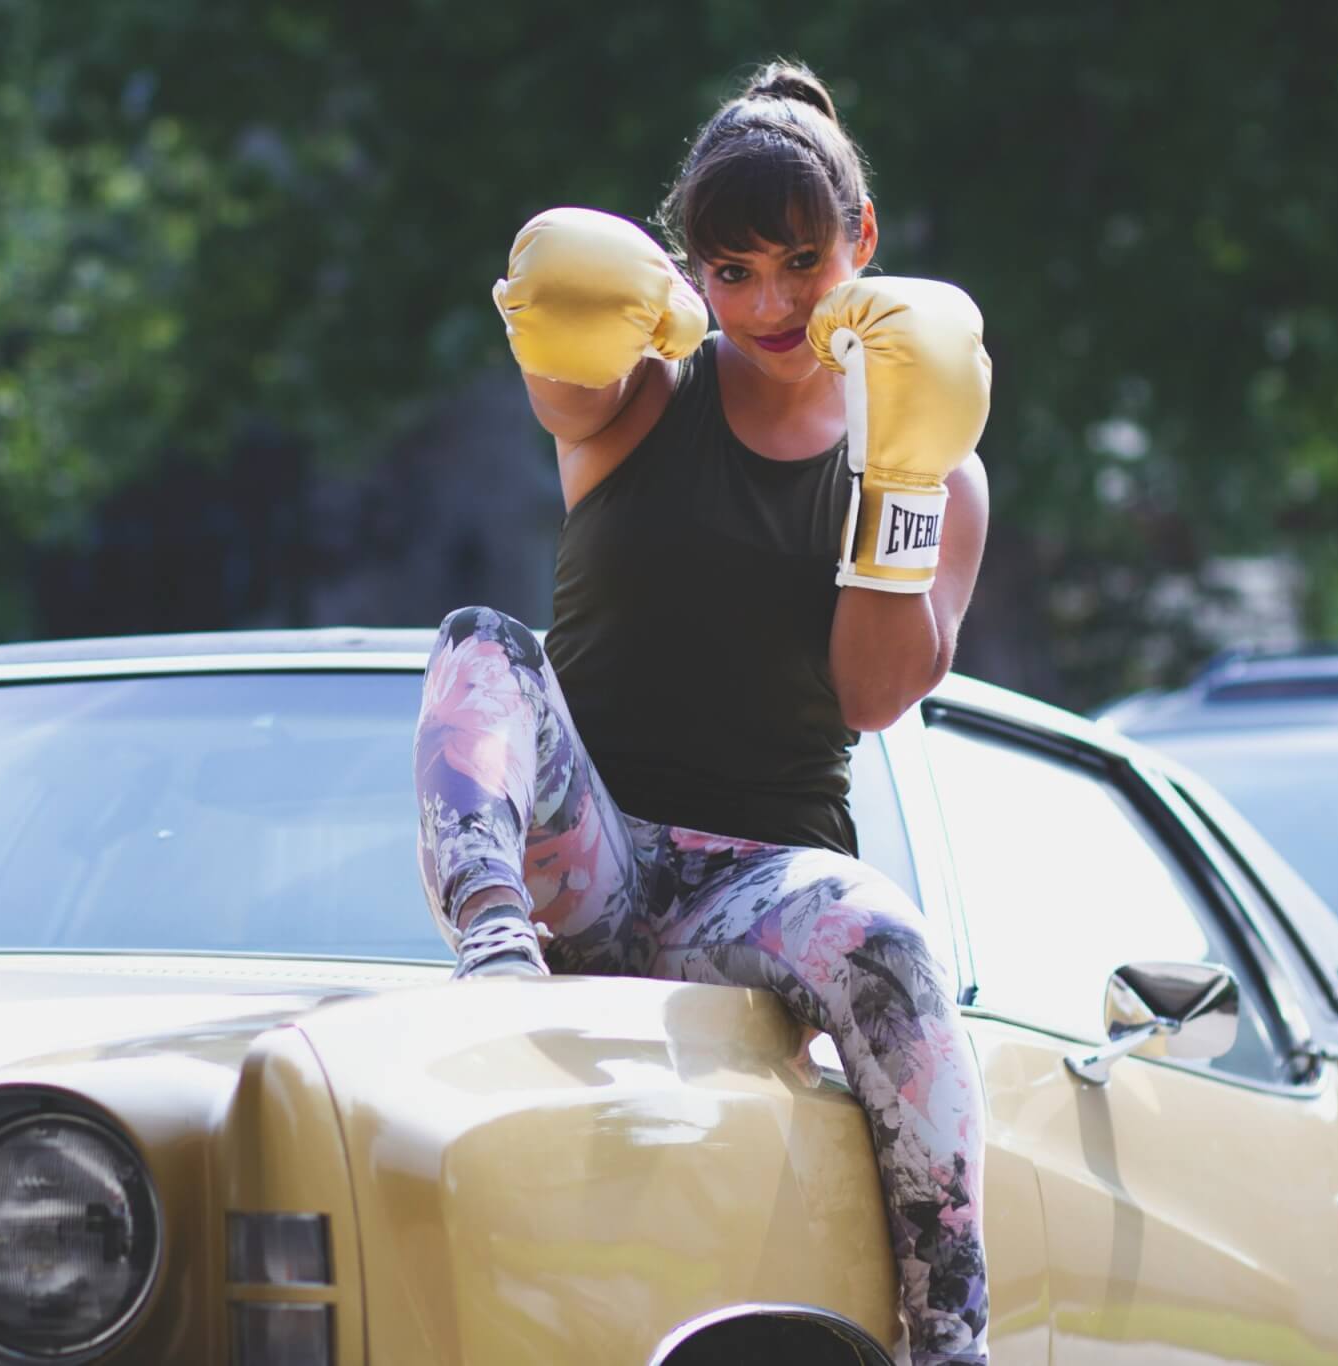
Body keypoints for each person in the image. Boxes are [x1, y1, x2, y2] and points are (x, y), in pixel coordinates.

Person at [411, 60, 992, 1365]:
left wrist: (896, 478)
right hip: (591, 851)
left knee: (892, 941)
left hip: (762, 880)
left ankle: (952, 1336)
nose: (771, 301)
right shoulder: (638, 400)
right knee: (481, 647)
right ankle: (495, 964)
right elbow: (561, 332)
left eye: (801, 260)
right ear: (687, 274)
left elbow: (872, 691)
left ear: (866, 246)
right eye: (731, 270)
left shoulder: (934, 468)